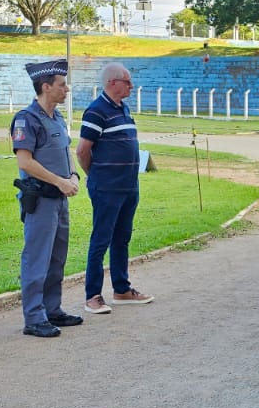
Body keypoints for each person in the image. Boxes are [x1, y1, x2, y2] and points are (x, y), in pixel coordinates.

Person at [12, 59, 84, 338]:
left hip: (60, 198)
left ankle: (52, 309)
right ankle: (34, 317)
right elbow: (25, 162)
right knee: (37, 258)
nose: (66, 89)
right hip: (41, 199)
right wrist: (60, 182)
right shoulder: (26, 119)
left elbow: (66, 152)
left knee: (57, 258)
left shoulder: (57, 118)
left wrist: (74, 177)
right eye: (61, 84)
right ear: (45, 87)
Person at [78, 62, 153, 313]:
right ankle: (93, 296)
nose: (131, 85)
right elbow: (82, 151)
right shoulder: (96, 111)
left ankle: (121, 289)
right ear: (112, 82)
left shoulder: (124, 108)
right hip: (107, 188)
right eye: (127, 81)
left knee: (122, 239)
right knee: (101, 240)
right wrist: (96, 176)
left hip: (129, 187)